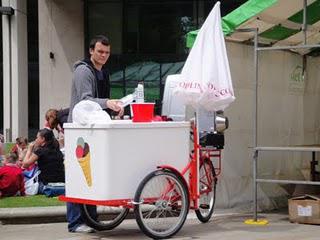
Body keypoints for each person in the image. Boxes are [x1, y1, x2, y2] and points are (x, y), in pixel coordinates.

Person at [66, 35, 124, 233]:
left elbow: (98, 105)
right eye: (100, 51)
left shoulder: (102, 71)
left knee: (91, 174)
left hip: (91, 129)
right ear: (91, 51)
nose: (104, 55)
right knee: (78, 175)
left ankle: (90, 219)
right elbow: (86, 101)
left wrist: (113, 107)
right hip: (79, 130)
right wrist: (108, 102)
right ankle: (75, 222)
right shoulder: (84, 71)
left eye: (107, 52)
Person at [22, 128, 65, 193]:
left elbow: (25, 164)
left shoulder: (40, 151)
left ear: (43, 139)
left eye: (37, 138)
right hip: (61, 182)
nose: (35, 140)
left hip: (45, 184)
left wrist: (29, 149)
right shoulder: (58, 151)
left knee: (23, 176)